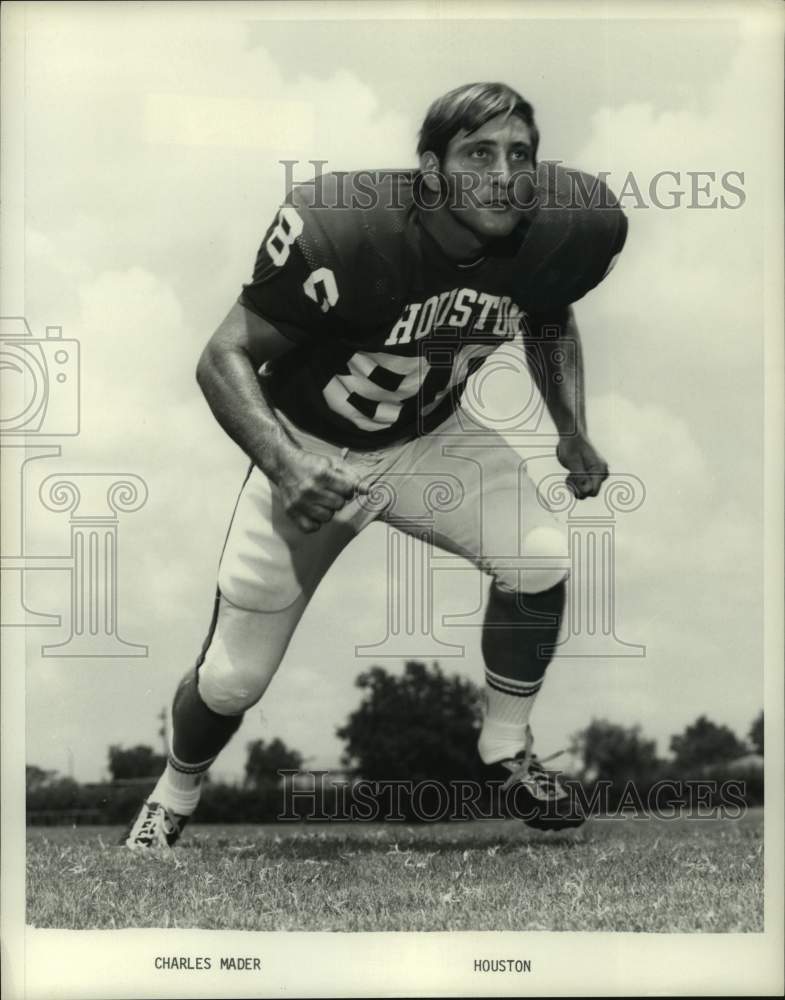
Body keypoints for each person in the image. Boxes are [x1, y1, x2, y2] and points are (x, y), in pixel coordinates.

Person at [124, 81, 627, 848]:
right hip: (313, 447)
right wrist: (287, 466)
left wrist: (571, 427)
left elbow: (549, 316)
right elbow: (221, 356)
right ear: (429, 170)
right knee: (232, 681)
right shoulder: (346, 228)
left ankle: (505, 747)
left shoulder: (546, 232)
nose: (503, 174)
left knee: (541, 558)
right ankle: (173, 795)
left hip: (431, 438)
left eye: (519, 154)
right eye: (477, 154)